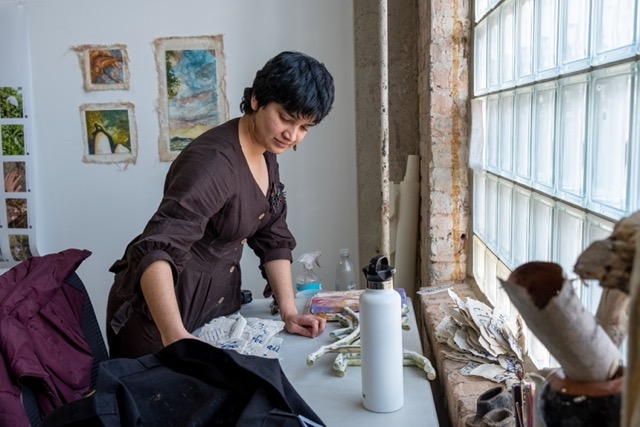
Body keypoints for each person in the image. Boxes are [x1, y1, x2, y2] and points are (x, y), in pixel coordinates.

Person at [106, 51, 334, 358]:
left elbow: (272, 235)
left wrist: (289, 313)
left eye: (304, 127)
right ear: (256, 100)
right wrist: (175, 336)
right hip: (158, 327)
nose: (292, 135)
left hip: (209, 317)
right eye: (285, 118)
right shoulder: (212, 163)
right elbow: (157, 248)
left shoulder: (266, 152)